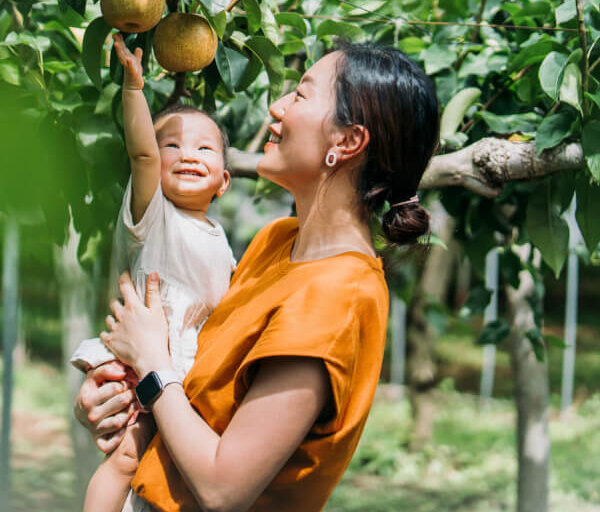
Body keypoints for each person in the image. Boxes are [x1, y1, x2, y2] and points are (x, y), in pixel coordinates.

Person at [76, 41, 439, 512]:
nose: (278, 105)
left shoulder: (338, 294)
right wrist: (115, 395)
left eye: (303, 95)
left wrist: (149, 364)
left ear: (347, 142)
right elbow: (196, 384)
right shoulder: (276, 243)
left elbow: (223, 488)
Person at [70, 34, 236, 512]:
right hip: (147, 362)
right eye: (171, 144)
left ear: (224, 180)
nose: (188, 154)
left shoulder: (221, 240)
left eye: (205, 148)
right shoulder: (151, 218)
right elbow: (140, 153)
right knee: (127, 456)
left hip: (183, 371)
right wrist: (133, 91)